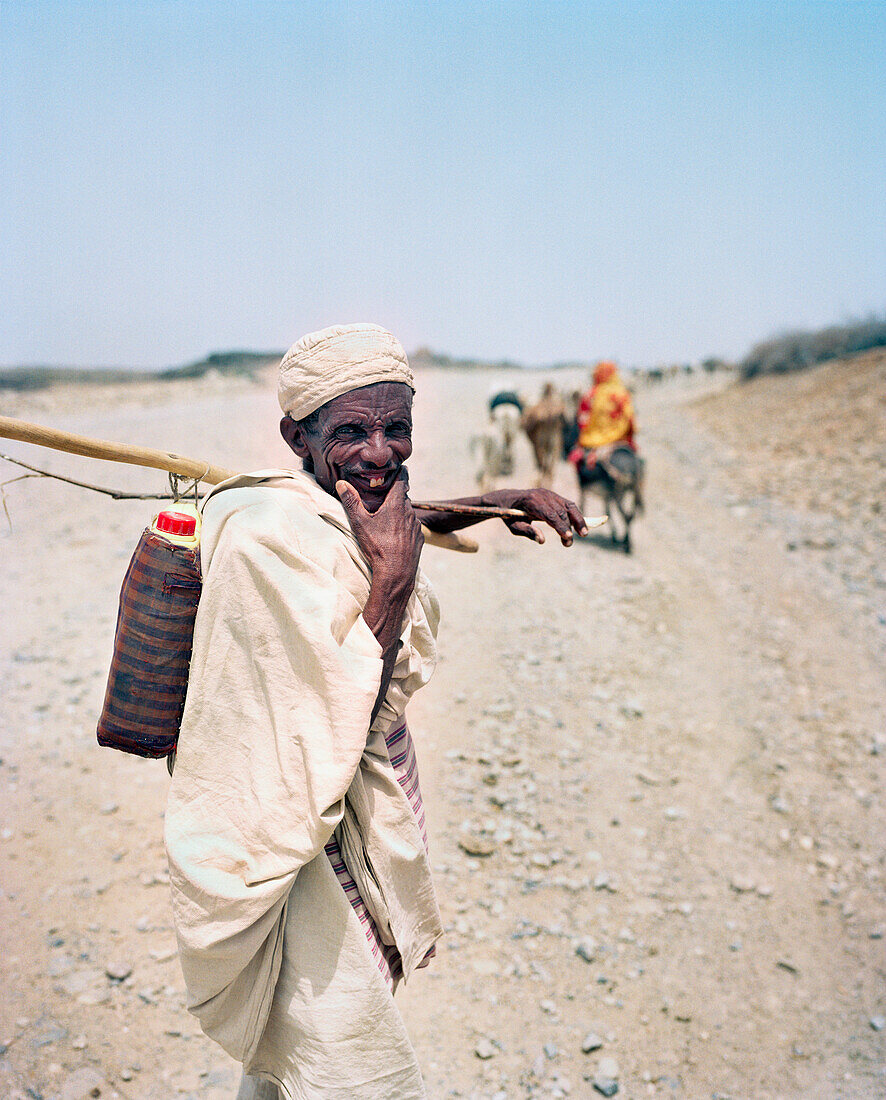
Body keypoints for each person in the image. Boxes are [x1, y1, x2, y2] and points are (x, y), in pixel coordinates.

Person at [164, 323, 587, 1099]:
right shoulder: (262, 535)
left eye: (398, 429)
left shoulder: (327, 500)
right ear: (298, 434)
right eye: (351, 431)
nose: (380, 452)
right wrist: (392, 580)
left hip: (338, 814)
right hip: (297, 828)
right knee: (347, 1059)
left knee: (298, 1052)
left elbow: (394, 512)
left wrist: (497, 502)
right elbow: (333, 707)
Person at [568, 360, 637, 473]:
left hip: (593, 441)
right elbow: (630, 420)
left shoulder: (590, 395)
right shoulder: (622, 393)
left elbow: (581, 421)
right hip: (620, 439)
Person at [521, 381, 567, 487]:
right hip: (554, 433)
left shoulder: (537, 406)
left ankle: (543, 481)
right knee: (551, 461)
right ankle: (548, 482)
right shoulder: (559, 405)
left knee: (541, 461)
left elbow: (527, 424)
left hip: (541, 434)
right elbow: (565, 421)